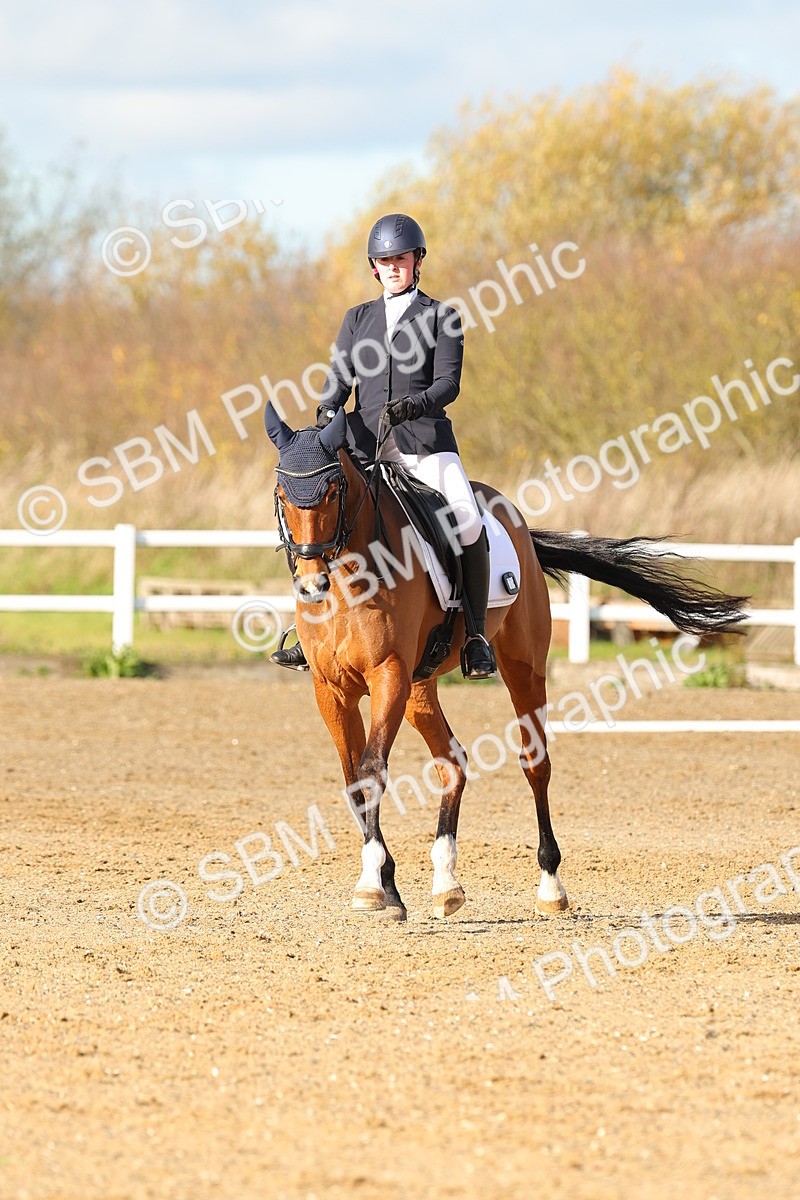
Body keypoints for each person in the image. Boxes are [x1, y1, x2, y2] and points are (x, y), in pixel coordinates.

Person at [271, 211, 497, 679]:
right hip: (363, 445)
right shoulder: (358, 319)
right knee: (316, 509)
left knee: (468, 519)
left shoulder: (442, 317)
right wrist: (327, 410)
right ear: (375, 267)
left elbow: (448, 383)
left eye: (401, 259)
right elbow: (339, 378)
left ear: (418, 261)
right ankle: (311, 630)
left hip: (424, 442)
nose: (394, 267)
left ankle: (475, 636)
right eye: (385, 261)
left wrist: (412, 406)